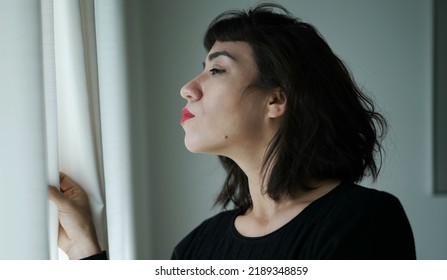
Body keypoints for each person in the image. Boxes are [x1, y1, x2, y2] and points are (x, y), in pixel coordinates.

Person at [48, 2, 416, 260]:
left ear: (276, 100)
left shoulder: (364, 223)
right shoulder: (198, 247)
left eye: (217, 70)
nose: (188, 89)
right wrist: (84, 247)